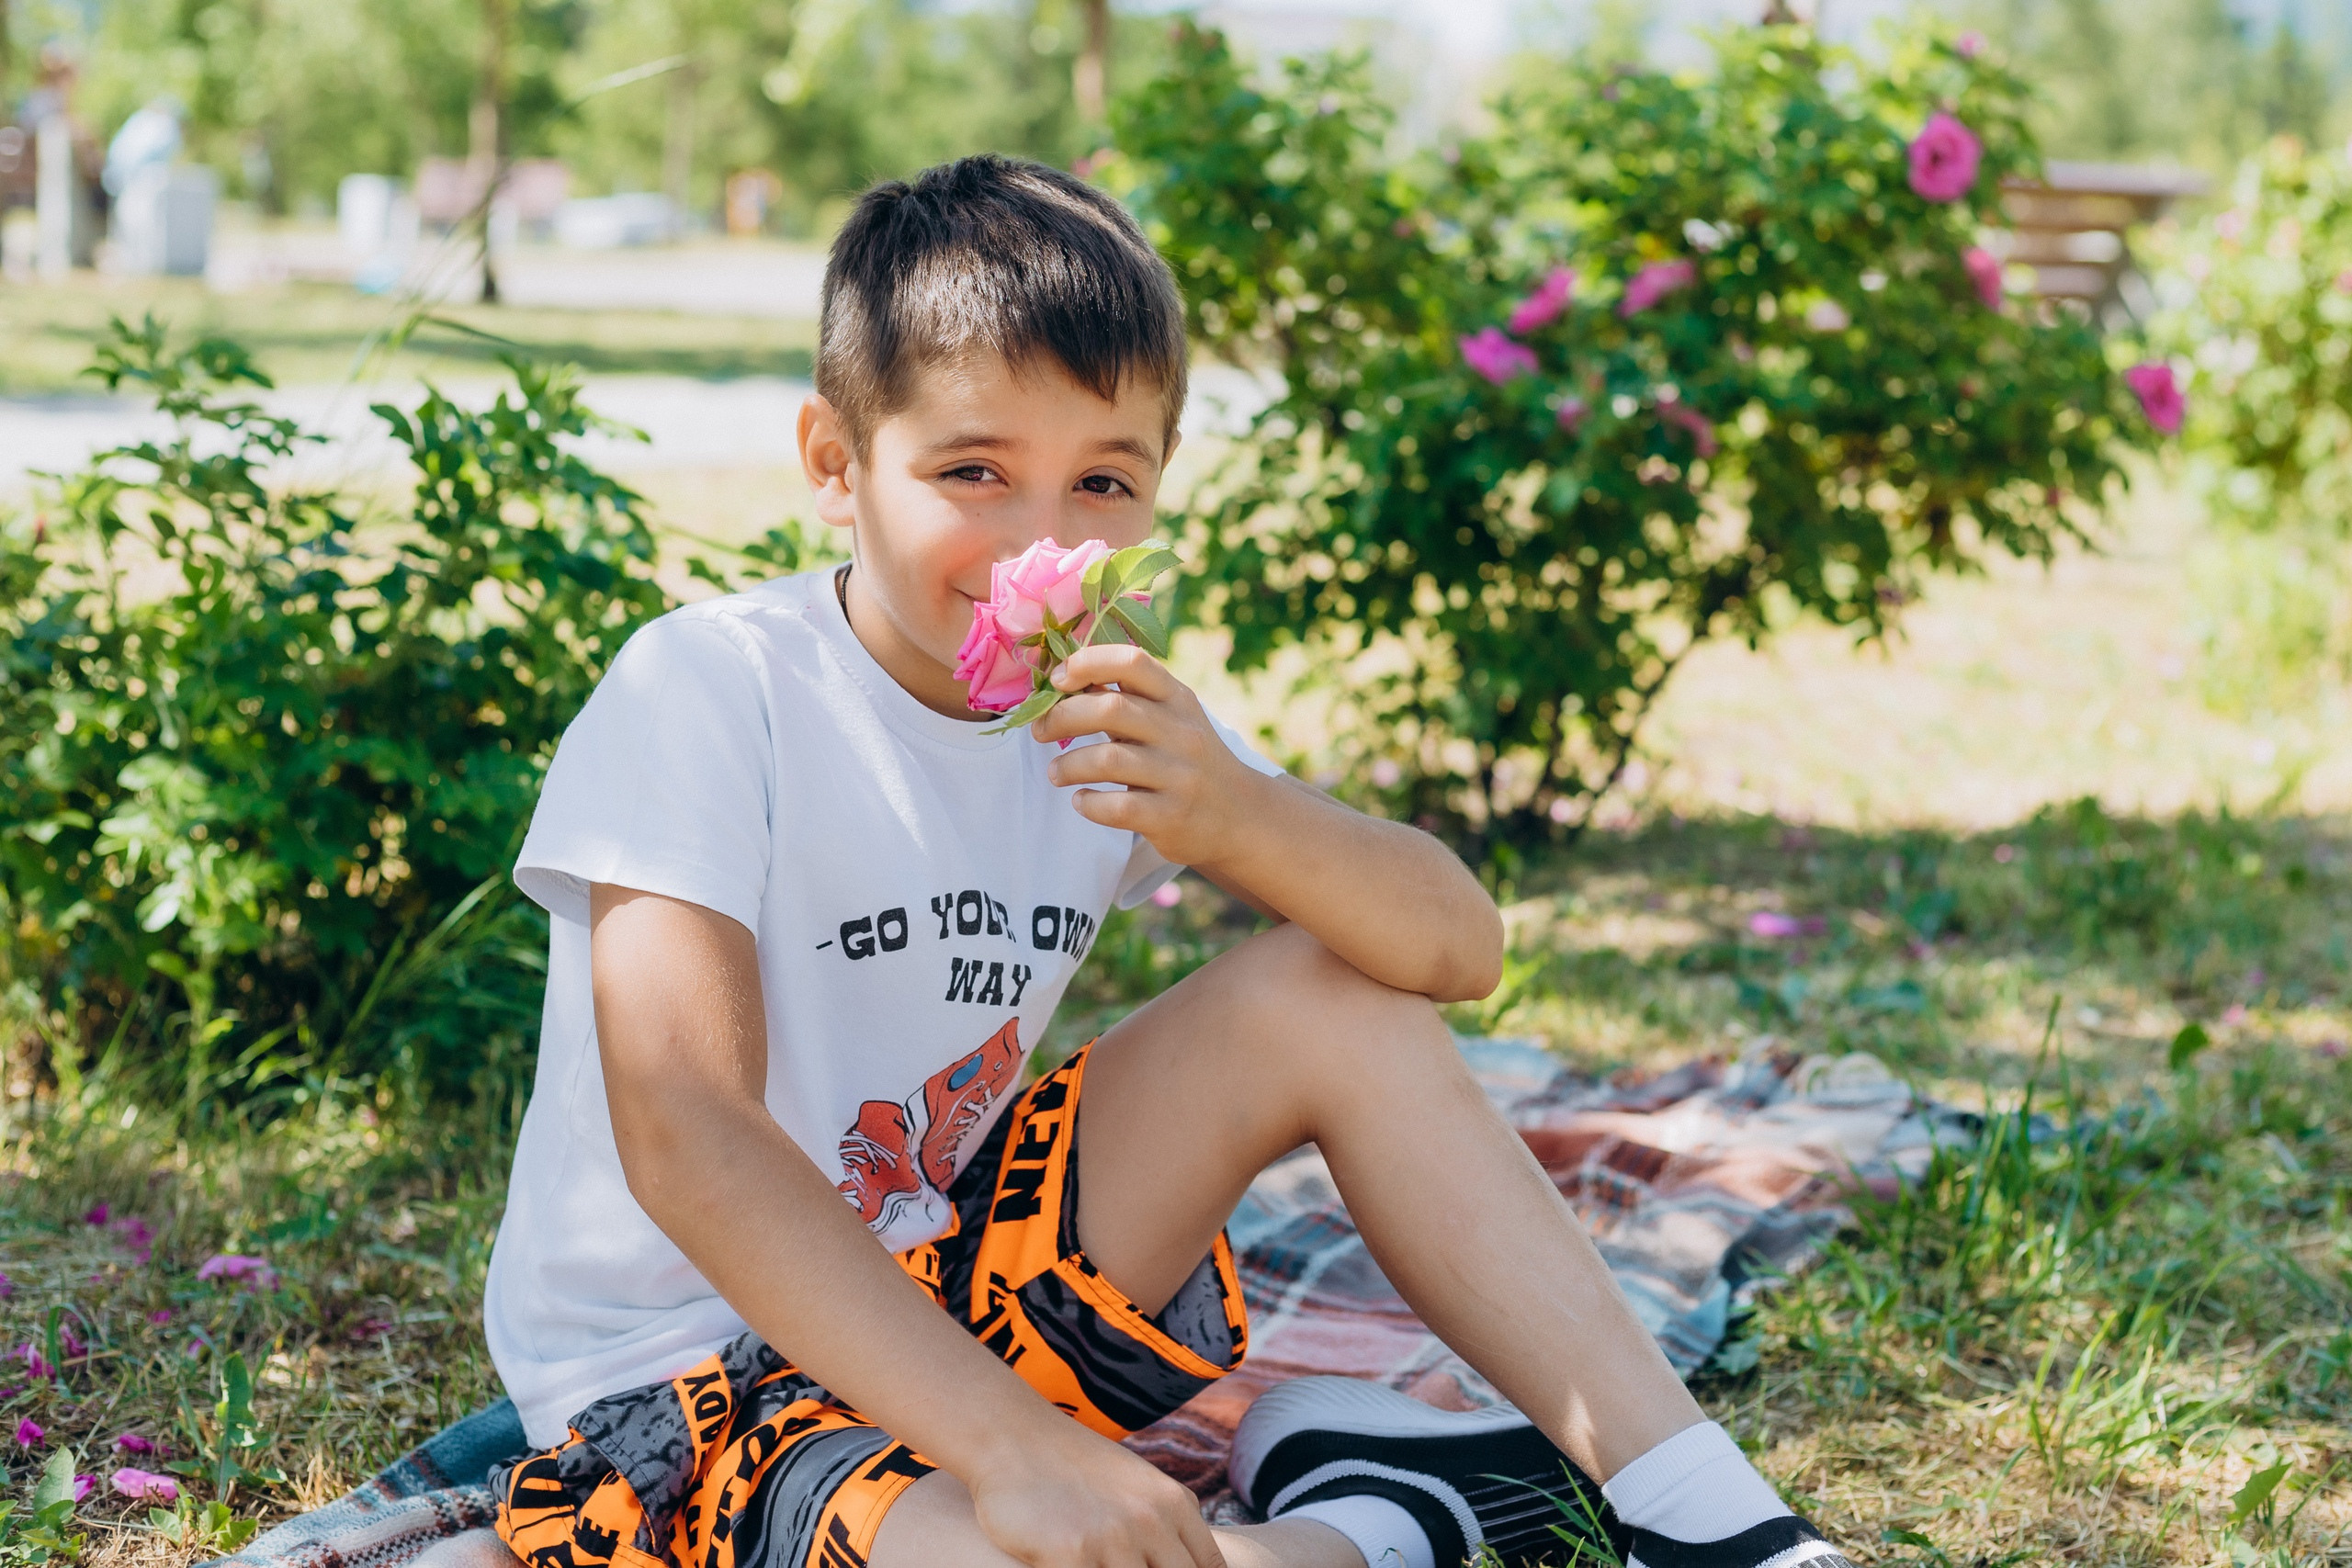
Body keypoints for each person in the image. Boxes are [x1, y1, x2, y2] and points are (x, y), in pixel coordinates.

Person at [435, 154, 1856, 1568]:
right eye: (973, 471)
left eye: (1103, 481)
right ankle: (1383, 1518)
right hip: (692, 1386)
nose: (1041, 543)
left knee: (1330, 987)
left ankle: (1705, 1513)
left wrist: (1231, 810)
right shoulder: (709, 687)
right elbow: (690, 1136)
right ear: (834, 462)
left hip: (962, 1293)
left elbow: (1452, 950)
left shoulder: (1097, 710)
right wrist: (1019, 1450)